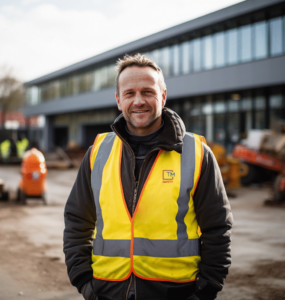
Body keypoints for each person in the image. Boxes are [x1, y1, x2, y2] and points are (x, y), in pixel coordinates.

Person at [63, 54, 233, 300]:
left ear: (163, 96)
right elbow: (77, 221)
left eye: (148, 92)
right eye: (129, 93)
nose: (139, 101)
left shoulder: (196, 154)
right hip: (108, 291)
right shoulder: (98, 153)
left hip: (177, 293)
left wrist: (204, 291)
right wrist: (84, 282)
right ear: (118, 100)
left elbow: (218, 228)